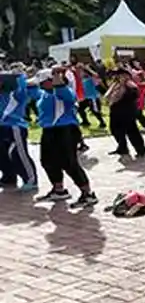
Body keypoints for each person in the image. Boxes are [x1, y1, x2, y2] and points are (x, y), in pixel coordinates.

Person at [33, 67, 98, 207]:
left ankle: (87, 194)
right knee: (47, 161)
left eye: (43, 81)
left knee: (69, 162)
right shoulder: (43, 93)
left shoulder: (64, 91)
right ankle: (59, 190)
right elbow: (26, 88)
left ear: (51, 81)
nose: (40, 84)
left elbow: (62, 90)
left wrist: (57, 74)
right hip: (49, 130)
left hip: (65, 130)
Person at [0, 68, 37, 192]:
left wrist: (18, 76)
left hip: (15, 126)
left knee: (18, 153)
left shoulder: (17, 93)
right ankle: (8, 177)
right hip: (2, 127)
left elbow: (32, 90)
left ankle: (31, 180)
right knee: (2, 154)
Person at [104, 67, 145, 159]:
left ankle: (141, 150)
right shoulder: (116, 84)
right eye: (117, 74)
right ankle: (122, 148)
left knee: (132, 132)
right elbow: (107, 96)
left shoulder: (130, 84)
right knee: (115, 130)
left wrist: (122, 88)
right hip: (115, 112)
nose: (117, 76)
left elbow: (134, 95)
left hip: (127, 112)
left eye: (120, 74)